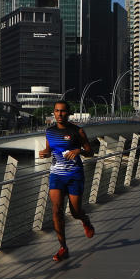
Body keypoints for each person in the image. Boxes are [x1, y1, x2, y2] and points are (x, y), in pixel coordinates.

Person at [38, 100, 95, 261]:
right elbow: (50, 151)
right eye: (56, 111)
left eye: (63, 111)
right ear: (53, 113)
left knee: (75, 212)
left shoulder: (78, 131)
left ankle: (85, 220)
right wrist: (45, 154)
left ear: (68, 113)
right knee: (56, 211)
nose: (59, 114)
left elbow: (90, 152)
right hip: (56, 175)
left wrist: (79, 151)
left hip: (75, 175)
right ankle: (63, 247)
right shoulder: (49, 132)